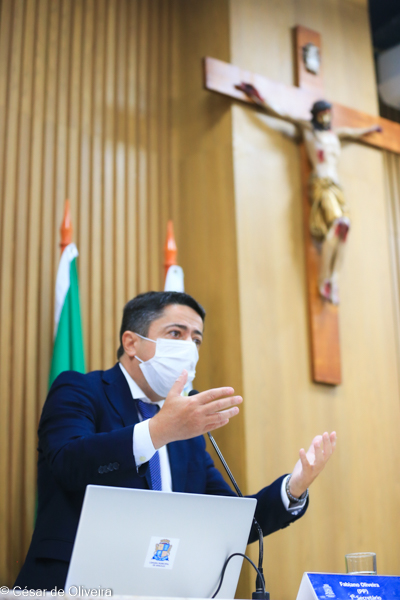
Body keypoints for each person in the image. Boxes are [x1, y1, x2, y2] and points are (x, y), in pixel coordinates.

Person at [15, 291, 336, 590]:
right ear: (131, 343)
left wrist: (292, 489)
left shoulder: (187, 432)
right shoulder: (80, 389)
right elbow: (67, 462)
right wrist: (157, 431)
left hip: (160, 587)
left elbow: (230, 520)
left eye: (196, 339)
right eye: (175, 334)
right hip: (73, 584)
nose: (189, 348)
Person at [236, 84, 381, 304]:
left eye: (328, 113)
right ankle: (324, 279)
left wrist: (372, 128)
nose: (326, 117)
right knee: (339, 224)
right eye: (322, 113)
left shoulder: (335, 134)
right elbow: (282, 113)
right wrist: (259, 97)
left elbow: (354, 132)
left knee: (345, 230)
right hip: (321, 183)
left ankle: (334, 279)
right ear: (316, 115)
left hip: (337, 186)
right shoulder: (309, 130)